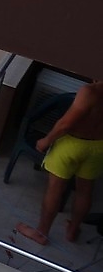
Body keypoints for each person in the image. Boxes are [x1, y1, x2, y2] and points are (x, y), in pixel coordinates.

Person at [18, 81, 103, 245]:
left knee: (55, 188)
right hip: (99, 146)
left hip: (72, 144)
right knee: (85, 190)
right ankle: (73, 230)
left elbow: (65, 124)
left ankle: (41, 233)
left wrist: (46, 140)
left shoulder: (90, 91)